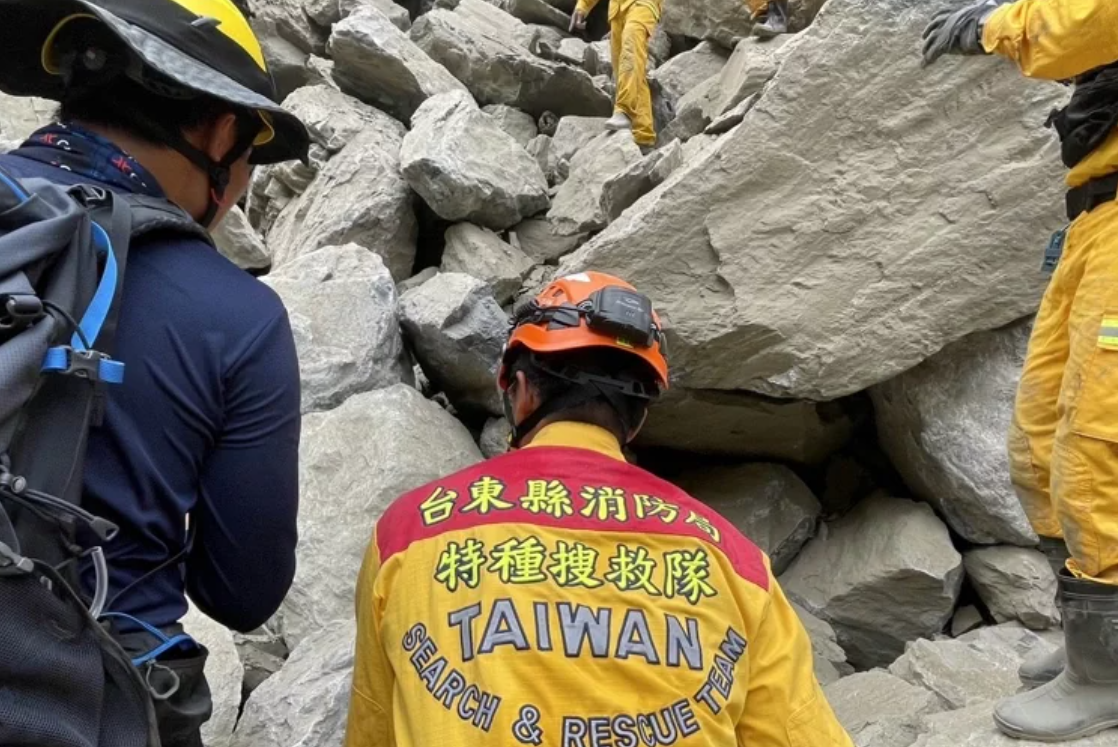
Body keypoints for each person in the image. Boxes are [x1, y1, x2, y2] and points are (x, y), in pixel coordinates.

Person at [343, 271, 853, 747]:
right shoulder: (735, 563)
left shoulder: (407, 534)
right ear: (637, 418)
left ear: (519, 391)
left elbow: (374, 725)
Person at [0, 0, 309, 744]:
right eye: (248, 156)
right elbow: (243, 592)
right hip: (96, 706)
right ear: (221, 130)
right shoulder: (241, 319)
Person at [923, 0, 1118, 742]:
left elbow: (1087, 21)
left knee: (1099, 442)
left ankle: (1108, 674)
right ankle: (1089, 634)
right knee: (1039, 432)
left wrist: (992, 25)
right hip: (1096, 220)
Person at [571, 0, 658, 148]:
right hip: (617, 13)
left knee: (630, 55)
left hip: (642, 5)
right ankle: (644, 135)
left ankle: (624, 110)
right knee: (628, 69)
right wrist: (583, 6)